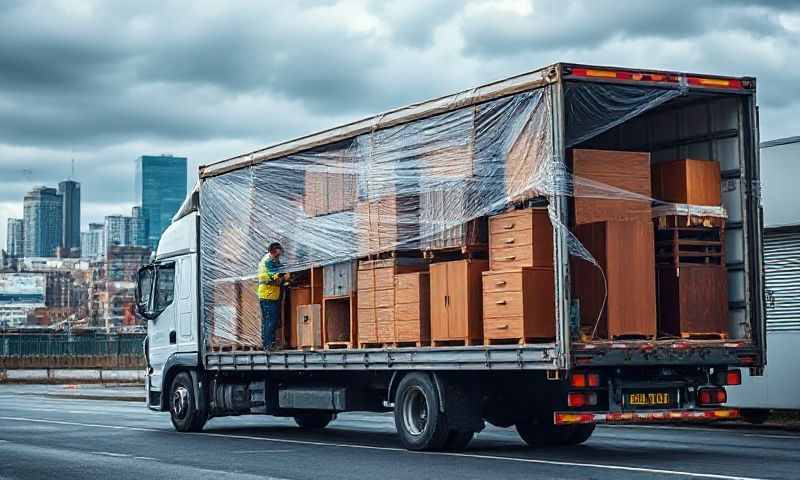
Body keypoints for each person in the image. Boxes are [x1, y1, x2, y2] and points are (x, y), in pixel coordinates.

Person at [258, 242, 289, 350]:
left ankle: (268, 343)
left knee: (270, 320)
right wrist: (284, 276)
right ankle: (268, 345)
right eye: (277, 255)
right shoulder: (268, 261)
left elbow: (280, 271)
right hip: (267, 296)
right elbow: (276, 276)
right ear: (272, 252)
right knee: (270, 321)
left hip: (271, 295)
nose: (278, 257)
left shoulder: (273, 260)